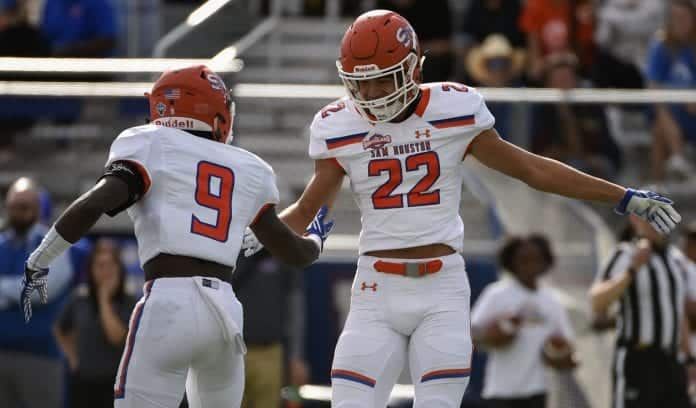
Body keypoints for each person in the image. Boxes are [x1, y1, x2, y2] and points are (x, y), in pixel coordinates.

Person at [241, 10, 681, 408]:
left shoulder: (453, 108)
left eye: (383, 79)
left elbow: (530, 169)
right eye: (361, 81)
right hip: (374, 288)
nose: (371, 93)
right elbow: (306, 209)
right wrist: (253, 234)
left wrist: (621, 196)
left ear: (413, 68)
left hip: (441, 287)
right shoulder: (338, 125)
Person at [20, 64, 334, 408]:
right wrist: (317, 236)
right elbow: (295, 253)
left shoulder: (148, 143)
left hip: (169, 301)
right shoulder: (251, 168)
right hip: (226, 314)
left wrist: (39, 259)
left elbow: (95, 203)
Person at [589, 215, 694, 408]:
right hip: (638, 358)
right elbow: (597, 301)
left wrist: (689, 359)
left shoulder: (675, 258)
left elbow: (677, 313)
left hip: (671, 360)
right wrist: (632, 269)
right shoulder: (625, 253)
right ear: (635, 219)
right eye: (649, 216)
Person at [0, 177, 81, 408]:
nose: (19, 212)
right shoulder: (1, 244)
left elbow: (42, 289)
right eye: (14, 206)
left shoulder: (54, 245)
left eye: (25, 206)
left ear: (37, 208)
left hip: (41, 358)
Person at [471, 234, 576, 408]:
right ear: (511, 262)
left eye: (536, 259)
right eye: (523, 260)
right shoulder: (497, 294)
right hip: (501, 390)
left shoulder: (551, 300)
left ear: (546, 262)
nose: (530, 265)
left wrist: (559, 354)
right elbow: (472, 332)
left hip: (537, 390)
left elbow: (566, 346)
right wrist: (499, 331)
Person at [54, 239, 138, 408]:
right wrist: (72, 358)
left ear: (119, 269)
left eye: (110, 265)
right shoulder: (80, 298)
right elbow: (60, 329)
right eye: (100, 265)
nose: (105, 271)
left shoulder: (129, 301)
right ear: (91, 269)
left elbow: (116, 337)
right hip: (83, 383)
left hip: (116, 385)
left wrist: (104, 298)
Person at [233, 249, 309, 408]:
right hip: (233, 351)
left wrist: (296, 357)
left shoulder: (282, 250)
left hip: (270, 351)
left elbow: (294, 309)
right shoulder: (231, 250)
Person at [530, 52, 621, 179]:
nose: (564, 82)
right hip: (557, 165)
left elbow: (604, 144)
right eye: (559, 78)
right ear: (549, 82)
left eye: (567, 77)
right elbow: (538, 151)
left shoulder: (590, 104)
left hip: (593, 162)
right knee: (573, 167)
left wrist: (591, 158)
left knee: (602, 167)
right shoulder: (540, 108)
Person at [646, 0, 696, 180]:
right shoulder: (661, 45)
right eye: (675, 17)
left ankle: (677, 158)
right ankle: (658, 185)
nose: (680, 22)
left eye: (684, 17)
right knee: (659, 124)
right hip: (672, 110)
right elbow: (653, 85)